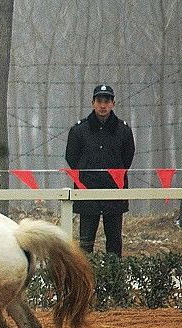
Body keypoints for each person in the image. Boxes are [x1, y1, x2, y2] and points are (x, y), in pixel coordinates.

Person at [65, 84, 135, 257]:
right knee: (86, 242)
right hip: (87, 192)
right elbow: (71, 158)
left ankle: (114, 278)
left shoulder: (123, 130)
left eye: (107, 101)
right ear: (92, 103)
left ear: (113, 103)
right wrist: (88, 175)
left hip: (114, 192)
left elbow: (127, 158)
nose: (102, 106)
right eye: (99, 101)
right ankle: (85, 280)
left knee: (114, 242)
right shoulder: (79, 130)